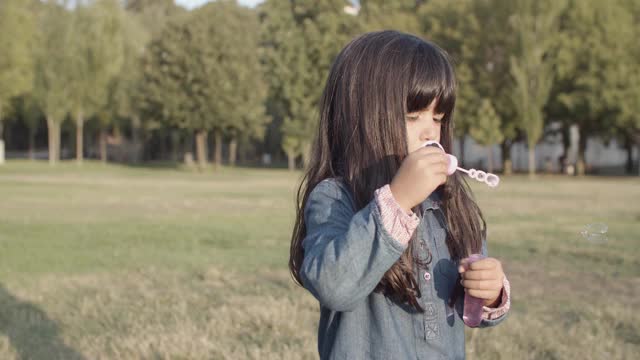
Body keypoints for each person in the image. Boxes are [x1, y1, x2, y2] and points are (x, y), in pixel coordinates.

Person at [288, 30, 511, 359]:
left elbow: (468, 306)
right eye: (413, 116)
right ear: (362, 118)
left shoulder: (447, 203)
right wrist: (396, 202)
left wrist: (489, 293)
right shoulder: (335, 198)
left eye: (438, 117)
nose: (430, 131)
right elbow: (334, 286)